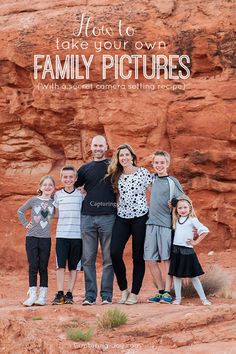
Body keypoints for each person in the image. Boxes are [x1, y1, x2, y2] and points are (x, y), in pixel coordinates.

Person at [74, 135, 116, 305]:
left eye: (101, 145)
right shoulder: (84, 169)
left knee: (108, 258)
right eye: (95, 145)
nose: (98, 148)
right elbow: (72, 187)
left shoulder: (114, 166)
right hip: (87, 217)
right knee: (88, 259)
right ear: (91, 147)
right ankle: (90, 296)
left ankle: (106, 296)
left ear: (106, 147)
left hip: (108, 217)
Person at [108, 144, 152, 305]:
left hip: (141, 217)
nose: (124, 158)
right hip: (122, 218)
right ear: (118, 159)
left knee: (137, 256)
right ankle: (124, 290)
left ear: (132, 156)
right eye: (121, 156)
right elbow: (117, 196)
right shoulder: (117, 175)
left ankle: (134, 293)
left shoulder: (143, 172)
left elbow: (153, 192)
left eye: (127, 155)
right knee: (114, 252)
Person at [144, 151, 184, 304]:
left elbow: (184, 199)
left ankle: (168, 292)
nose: (159, 165)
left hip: (166, 225)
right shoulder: (151, 179)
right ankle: (161, 291)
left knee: (167, 259)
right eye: (156, 163)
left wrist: (174, 202)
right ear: (153, 164)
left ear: (167, 164)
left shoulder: (172, 181)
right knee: (150, 259)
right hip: (150, 224)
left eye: (162, 163)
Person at [17, 176, 55, 306]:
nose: (47, 187)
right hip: (32, 238)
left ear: (54, 188)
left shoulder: (54, 202)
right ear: (40, 187)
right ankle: (32, 294)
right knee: (33, 266)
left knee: (43, 266)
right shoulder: (34, 200)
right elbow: (20, 211)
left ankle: (42, 296)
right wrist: (26, 224)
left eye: (50, 185)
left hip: (46, 239)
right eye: (45, 185)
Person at [169, 195, 211, 305]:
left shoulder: (193, 219)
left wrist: (195, 242)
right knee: (176, 276)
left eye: (185, 207)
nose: (183, 210)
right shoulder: (176, 219)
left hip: (187, 251)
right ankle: (178, 299)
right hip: (176, 251)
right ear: (176, 210)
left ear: (190, 208)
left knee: (194, 277)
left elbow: (205, 230)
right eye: (180, 208)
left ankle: (204, 299)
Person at [52, 165, 83, 305]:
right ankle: (60, 293)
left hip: (77, 236)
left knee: (74, 266)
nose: (68, 179)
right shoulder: (57, 195)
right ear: (61, 179)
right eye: (65, 177)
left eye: (71, 177)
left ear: (76, 178)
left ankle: (70, 293)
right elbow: (55, 214)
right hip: (62, 235)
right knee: (60, 265)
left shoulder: (81, 195)